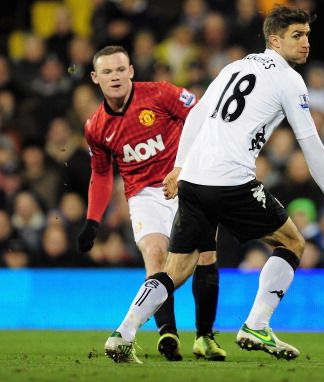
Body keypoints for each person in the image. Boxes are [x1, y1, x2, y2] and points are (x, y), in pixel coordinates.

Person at [104, 5, 324, 363]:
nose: (305, 42)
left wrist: (179, 166)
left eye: (307, 35)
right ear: (274, 39)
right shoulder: (289, 79)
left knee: (176, 270)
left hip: (194, 181)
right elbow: (309, 141)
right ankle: (256, 324)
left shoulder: (236, 66)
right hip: (230, 182)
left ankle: (122, 334)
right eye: (297, 36)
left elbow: (198, 115)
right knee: (293, 243)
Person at [77, 46, 226, 362]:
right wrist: (92, 220)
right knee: (156, 255)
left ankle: (204, 336)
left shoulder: (160, 94)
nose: (115, 77)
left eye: (120, 69)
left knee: (205, 255)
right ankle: (167, 333)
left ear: (131, 70)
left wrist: (193, 165)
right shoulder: (96, 127)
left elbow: (202, 117)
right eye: (107, 72)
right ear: (95, 78)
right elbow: (102, 175)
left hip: (186, 184)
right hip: (144, 195)